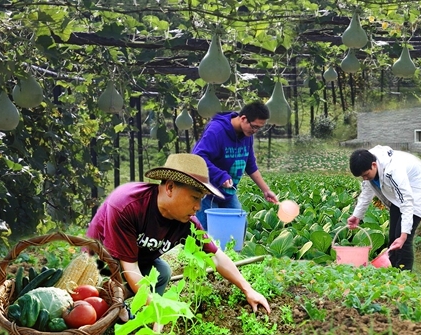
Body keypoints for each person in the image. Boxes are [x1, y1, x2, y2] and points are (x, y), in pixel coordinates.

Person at [87, 153, 271, 318]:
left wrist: (248, 290)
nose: (198, 207)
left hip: (136, 258)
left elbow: (216, 257)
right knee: (110, 296)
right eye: (194, 197)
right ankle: (119, 309)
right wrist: (161, 307)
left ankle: (139, 312)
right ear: (170, 188)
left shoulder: (187, 221)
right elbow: (131, 269)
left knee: (162, 271)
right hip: (100, 262)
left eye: (201, 200)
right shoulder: (128, 205)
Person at [346, 145, 421, 270]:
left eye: (366, 175)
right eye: (362, 177)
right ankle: (392, 271)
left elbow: (406, 201)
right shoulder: (366, 162)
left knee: (402, 240)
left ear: (374, 165)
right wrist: (357, 216)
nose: (365, 179)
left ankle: (405, 276)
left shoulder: (393, 171)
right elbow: (366, 193)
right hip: (399, 192)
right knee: (393, 237)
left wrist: (404, 235)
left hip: (419, 188)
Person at [192, 101, 278, 230]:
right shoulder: (217, 131)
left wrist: (266, 190)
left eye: (259, 128)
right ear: (243, 118)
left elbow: (250, 164)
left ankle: (234, 251)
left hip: (227, 192)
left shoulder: (247, 134)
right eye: (254, 127)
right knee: (206, 232)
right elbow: (197, 157)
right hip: (207, 192)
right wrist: (220, 175)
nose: (255, 131)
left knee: (239, 226)